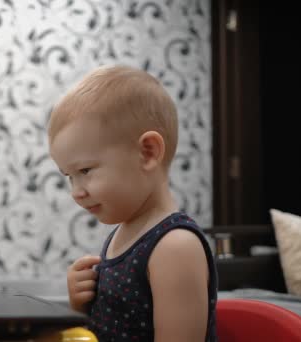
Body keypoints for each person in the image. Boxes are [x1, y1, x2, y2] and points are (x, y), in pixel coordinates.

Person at [48, 65, 218, 341]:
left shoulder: (175, 246)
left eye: (86, 171)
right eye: (69, 177)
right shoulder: (124, 235)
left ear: (147, 153)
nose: (76, 192)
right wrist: (81, 305)